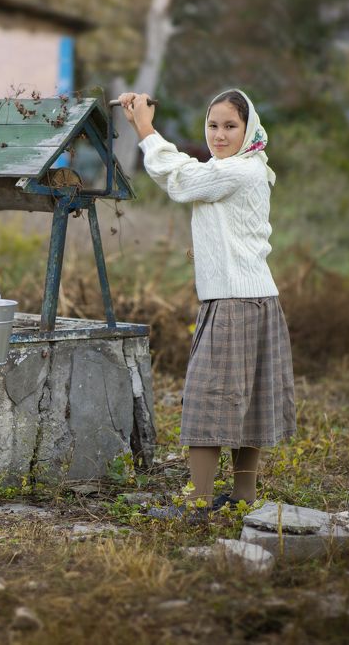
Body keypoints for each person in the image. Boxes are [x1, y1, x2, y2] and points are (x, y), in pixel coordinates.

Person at [116, 89, 296, 520]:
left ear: (248, 129)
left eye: (230, 126)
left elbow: (182, 181)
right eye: (213, 125)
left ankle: (197, 503)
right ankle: (242, 498)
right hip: (253, 299)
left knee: (207, 398)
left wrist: (145, 128)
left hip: (235, 303)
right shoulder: (241, 167)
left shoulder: (239, 171)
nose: (219, 134)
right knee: (247, 400)